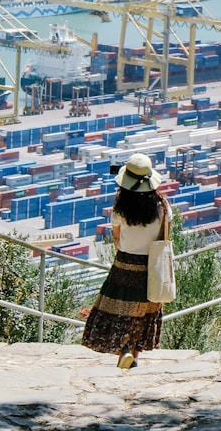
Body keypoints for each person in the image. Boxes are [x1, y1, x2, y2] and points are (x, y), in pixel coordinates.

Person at [82, 152, 171, 369]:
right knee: (144, 309)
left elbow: (115, 236)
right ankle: (136, 354)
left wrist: (121, 252)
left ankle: (123, 350)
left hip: (124, 263)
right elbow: (165, 237)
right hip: (151, 265)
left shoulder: (120, 208)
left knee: (119, 309)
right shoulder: (162, 207)